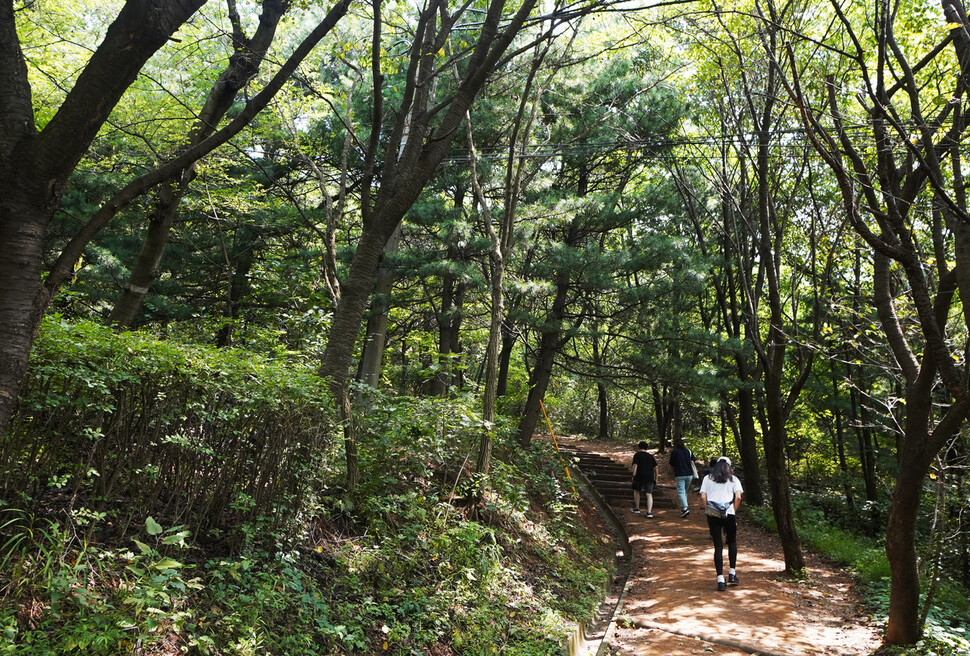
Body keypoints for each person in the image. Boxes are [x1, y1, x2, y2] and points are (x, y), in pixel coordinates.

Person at [700, 456, 744, 591]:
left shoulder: (707, 478)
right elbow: (738, 497)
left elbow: (703, 496)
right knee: (732, 542)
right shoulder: (733, 479)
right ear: (729, 467)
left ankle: (720, 580)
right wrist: (733, 511)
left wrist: (708, 509)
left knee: (717, 545)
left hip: (712, 514)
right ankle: (732, 573)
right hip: (729, 513)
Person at [668, 438, 702, 517]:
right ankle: (683, 507)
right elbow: (694, 461)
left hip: (679, 474)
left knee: (681, 492)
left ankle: (685, 508)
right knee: (684, 491)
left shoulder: (674, 452)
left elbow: (672, 463)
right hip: (689, 474)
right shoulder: (688, 451)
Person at [630, 441, 658, 517]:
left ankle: (637, 508)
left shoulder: (637, 455)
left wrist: (633, 476)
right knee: (649, 494)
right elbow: (656, 468)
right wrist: (656, 478)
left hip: (639, 475)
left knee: (636, 490)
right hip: (649, 476)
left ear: (638, 447)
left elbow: (635, 465)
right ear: (646, 448)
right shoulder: (651, 456)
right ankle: (649, 512)